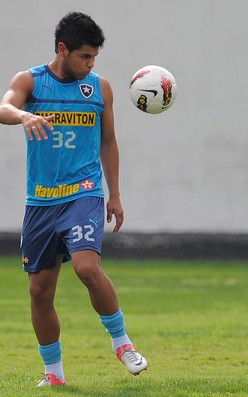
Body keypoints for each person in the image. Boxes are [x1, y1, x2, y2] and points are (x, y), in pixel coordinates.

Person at [0, 11, 147, 387]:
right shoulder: (30, 81)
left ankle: (123, 343)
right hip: (41, 201)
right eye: (85, 57)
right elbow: (4, 107)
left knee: (85, 267)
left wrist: (115, 194)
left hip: (84, 194)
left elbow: (109, 142)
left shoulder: (100, 89)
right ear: (62, 50)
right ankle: (55, 374)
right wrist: (22, 116)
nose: (91, 64)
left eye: (95, 57)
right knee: (39, 292)